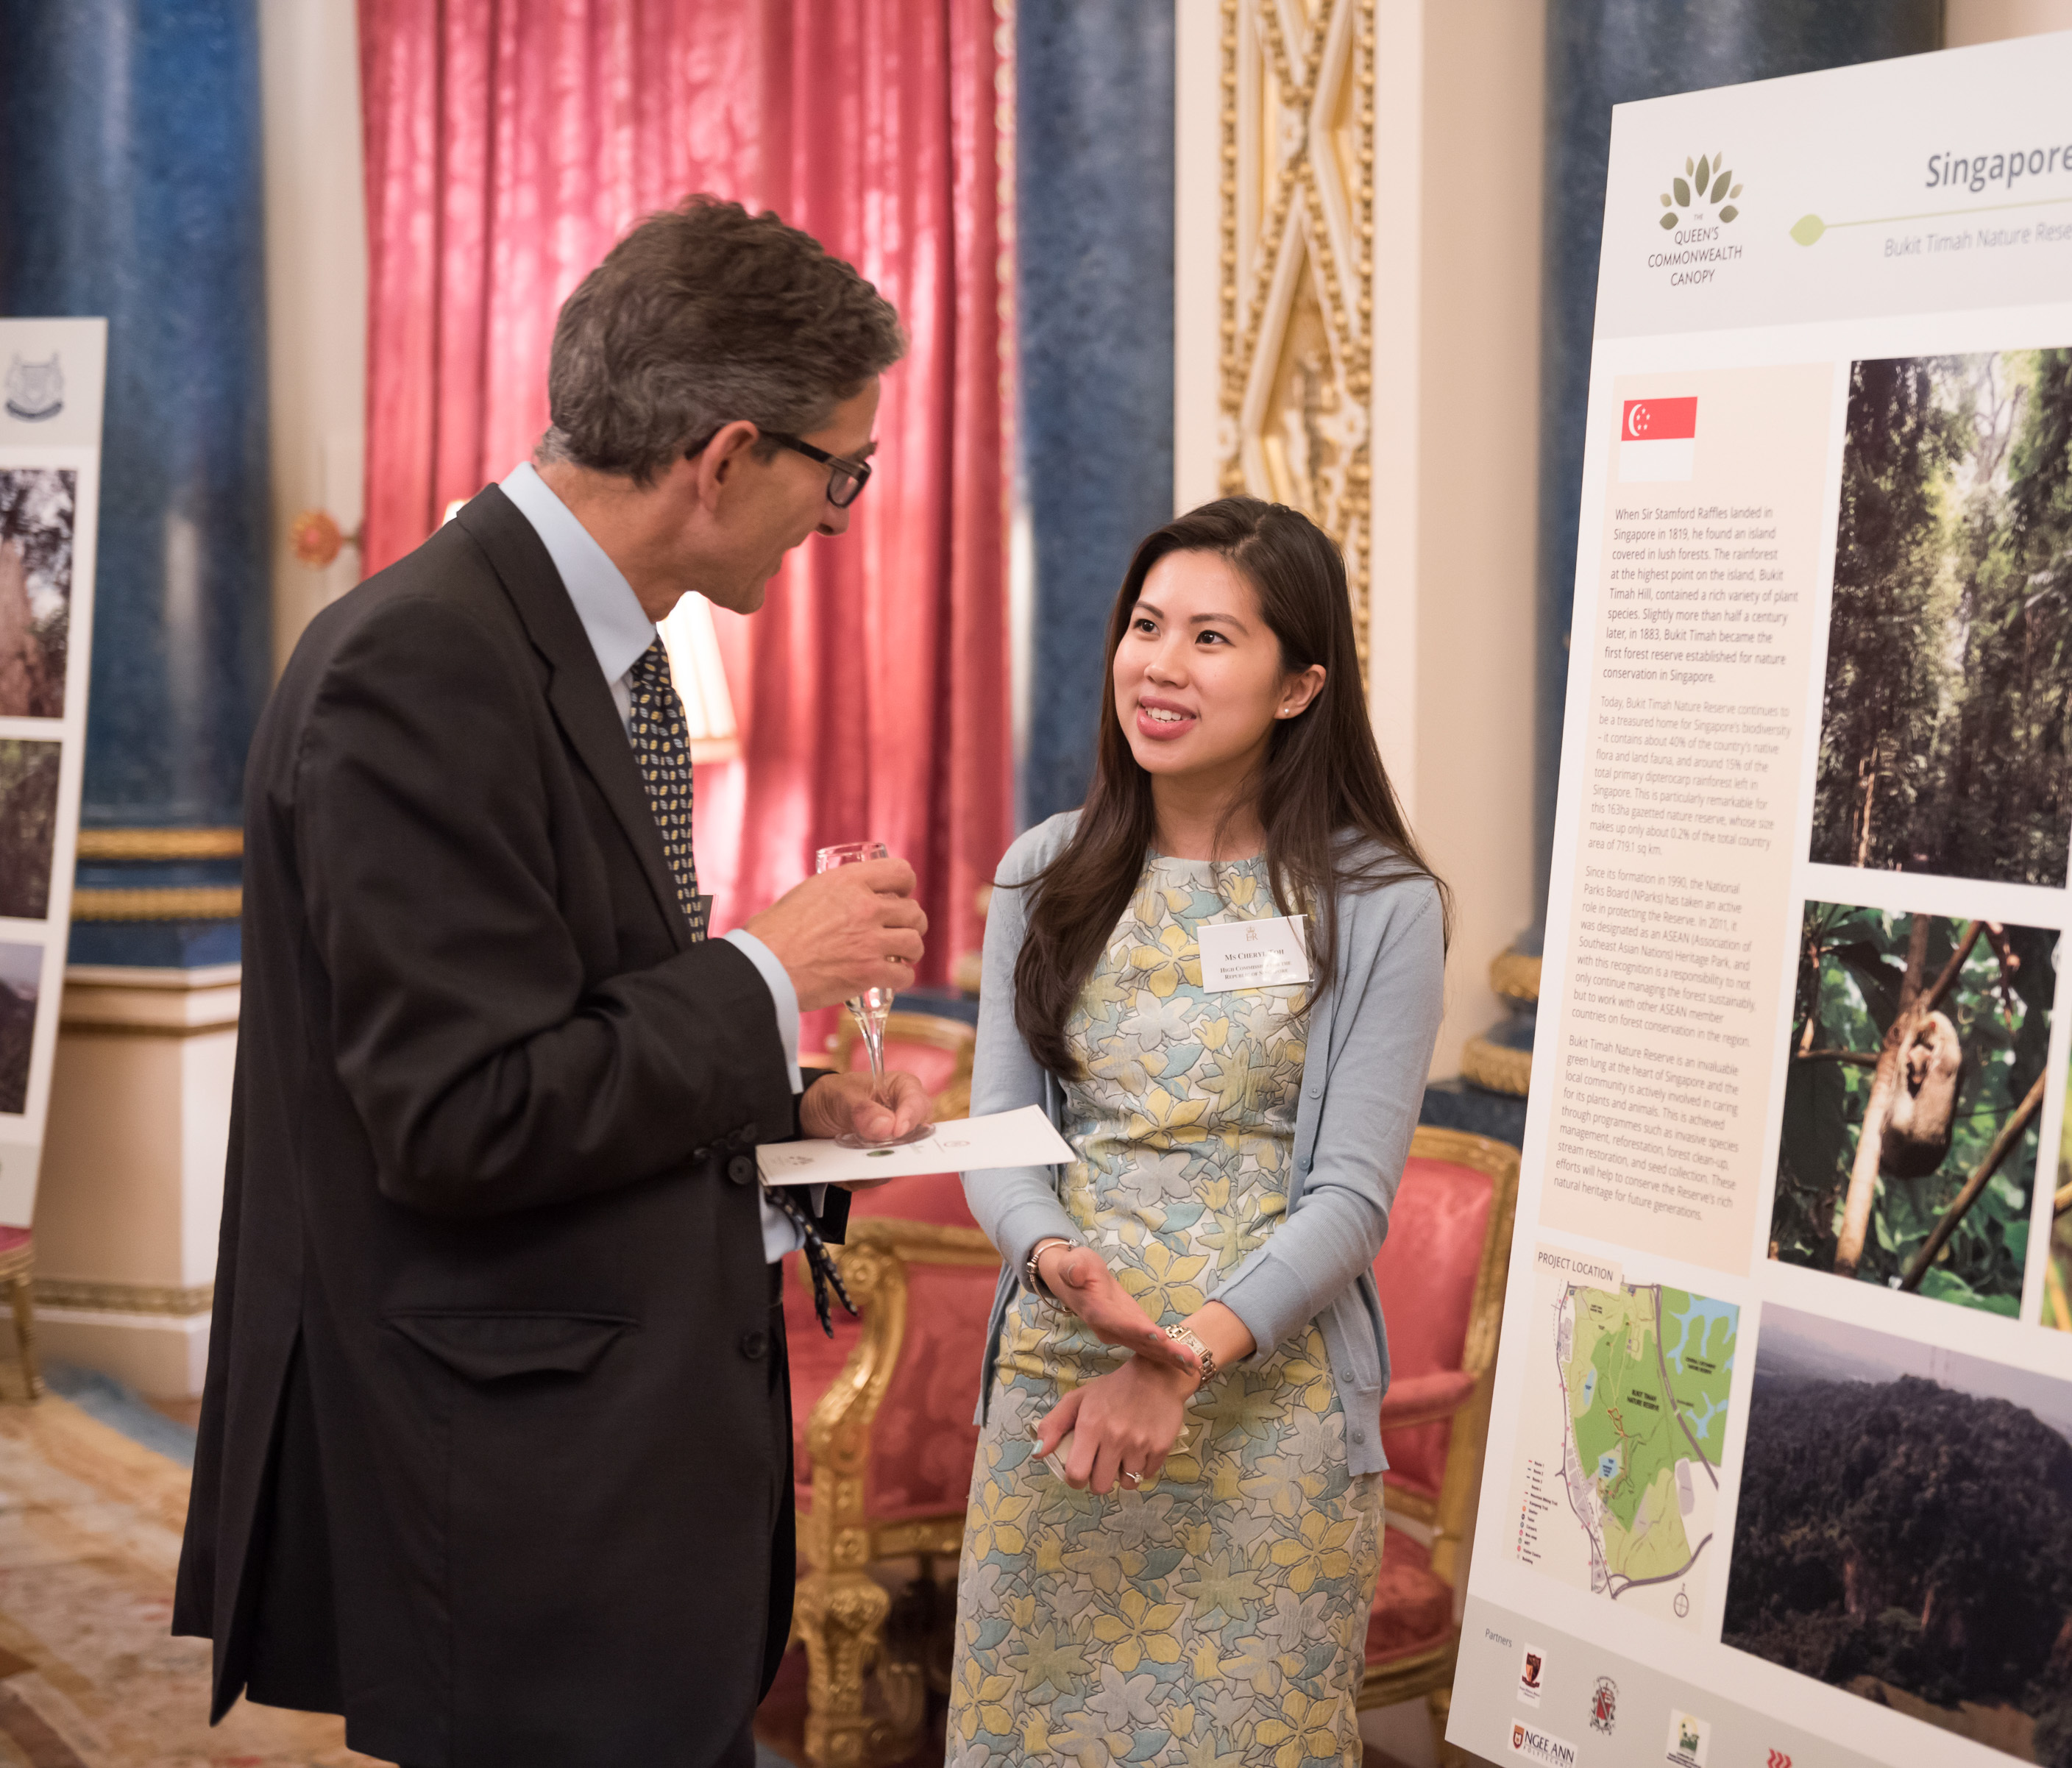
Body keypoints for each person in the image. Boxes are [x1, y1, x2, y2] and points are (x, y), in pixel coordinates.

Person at [174, 198, 934, 1768]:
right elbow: (465, 1115)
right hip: (522, 1489)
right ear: (725, 456)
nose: (838, 518)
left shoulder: (579, 646)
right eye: (840, 472)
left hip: (612, 1471)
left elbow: (579, 1018)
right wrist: (764, 967)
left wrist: (786, 1105)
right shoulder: (422, 661)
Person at [952, 497, 1447, 1767]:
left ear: (1300, 685)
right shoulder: (1044, 872)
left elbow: (1351, 1198)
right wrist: (1055, 1259)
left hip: (1266, 1417)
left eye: (1212, 637)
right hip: (1062, 1391)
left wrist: (1175, 1361)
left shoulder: (1380, 901)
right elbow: (1005, 1130)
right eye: (1147, 625)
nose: (1161, 664)